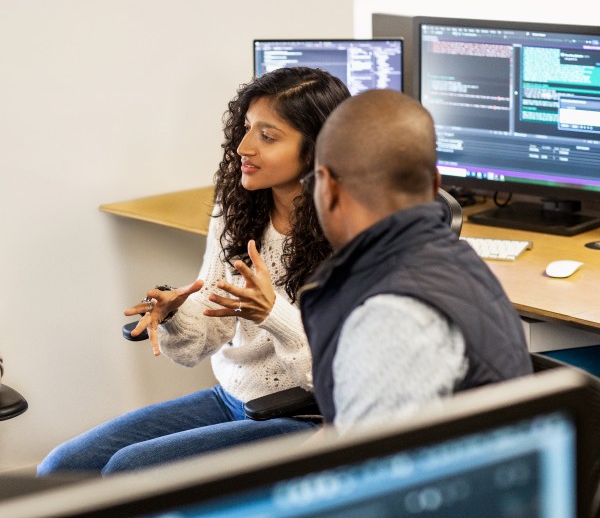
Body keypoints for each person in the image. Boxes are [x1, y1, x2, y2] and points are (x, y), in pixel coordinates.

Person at [37, 67, 350, 476]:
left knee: (129, 470)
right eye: (246, 128)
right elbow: (211, 327)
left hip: (305, 415)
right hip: (233, 396)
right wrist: (175, 313)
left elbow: (342, 375)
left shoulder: (348, 230)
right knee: (62, 468)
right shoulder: (238, 208)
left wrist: (272, 313)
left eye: (267, 136)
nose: (242, 147)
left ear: (315, 150)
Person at [299, 89, 532, 432]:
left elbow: (372, 479)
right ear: (434, 184)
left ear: (328, 188)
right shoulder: (456, 260)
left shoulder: (391, 317)